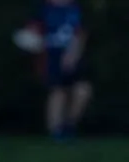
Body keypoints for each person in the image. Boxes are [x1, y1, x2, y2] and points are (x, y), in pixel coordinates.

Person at [36, 0, 90, 140]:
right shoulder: (43, 9)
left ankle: (69, 126)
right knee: (57, 91)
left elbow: (80, 34)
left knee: (82, 90)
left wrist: (73, 54)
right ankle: (56, 132)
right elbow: (33, 32)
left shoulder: (76, 9)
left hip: (72, 56)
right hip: (50, 57)